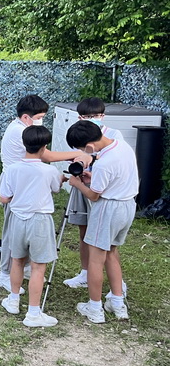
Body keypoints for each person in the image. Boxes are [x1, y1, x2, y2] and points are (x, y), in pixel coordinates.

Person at [0, 94, 92, 293]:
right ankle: (4, 273)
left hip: (26, 182)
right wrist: (78, 154)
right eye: (39, 117)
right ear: (25, 117)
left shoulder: (22, 127)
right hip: (17, 184)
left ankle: (25, 266)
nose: (41, 121)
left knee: (24, 232)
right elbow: (46, 155)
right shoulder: (19, 131)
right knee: (12, 233)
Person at [66, 120, 137, 323]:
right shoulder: (122, 146)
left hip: (108, 209)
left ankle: (95, 307)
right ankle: (117, 303)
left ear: (89, 146)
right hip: (127, 206)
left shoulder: (105, 163)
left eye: (82, 149)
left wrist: (77, 184)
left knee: (96, 259)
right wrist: (92, 178)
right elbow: (111, 180)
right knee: (111, 253)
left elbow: (94, 195)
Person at [0, 126, 63, 327]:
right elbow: (56, 188)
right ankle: (33, 313)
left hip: (17, 219)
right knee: (38, 267)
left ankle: (13, 300)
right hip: (40, 220)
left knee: (17, 261)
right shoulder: (50, 170)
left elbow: (4, 197)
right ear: (44, 147)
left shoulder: (12, 169)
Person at [64, 97, 126, 291]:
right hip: (84, 182)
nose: (93, 119)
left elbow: (112, 163)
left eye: (96, 115)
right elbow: (77, 156)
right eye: (88, 116)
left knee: (107, 243)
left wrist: (92, 159)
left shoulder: (114, 136)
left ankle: (115, 284)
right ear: (80, 117)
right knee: (84, 230)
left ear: (103, 116)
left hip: (103, 192)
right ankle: (85, 273)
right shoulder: (77, 133)